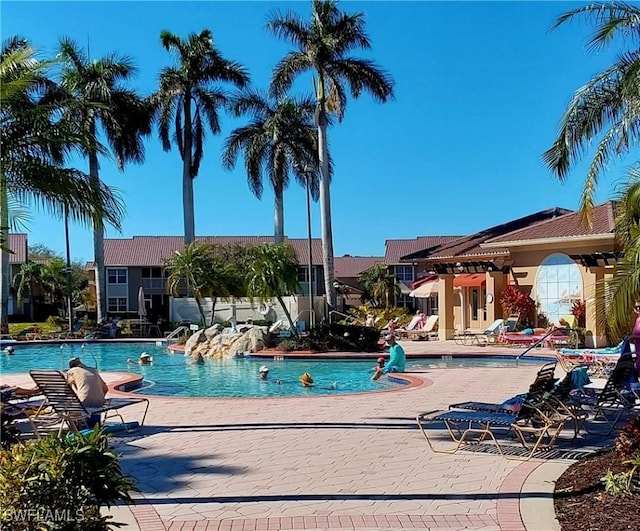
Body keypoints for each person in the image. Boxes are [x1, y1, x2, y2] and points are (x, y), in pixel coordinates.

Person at [66, 358, 108, 428]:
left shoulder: (72, 371)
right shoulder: (94, 371)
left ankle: (76, 427)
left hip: (84, 404)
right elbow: (106, 389)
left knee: (72, 402)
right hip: (99, 404)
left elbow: (67, 389)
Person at [632, 301, 640, 378]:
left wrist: (634, 337)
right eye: (636, 307)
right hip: (637, 345)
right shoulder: (637, 319)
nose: (638, 309)